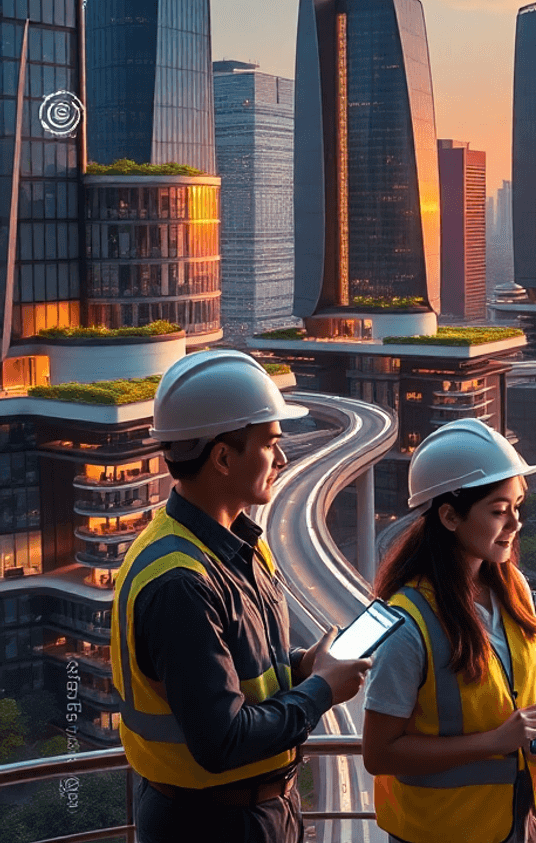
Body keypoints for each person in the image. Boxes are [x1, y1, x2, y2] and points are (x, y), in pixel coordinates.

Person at [110, 350, 372, 843]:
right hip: (209, 825)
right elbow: (222, 741)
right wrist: (322, 691)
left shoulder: (240, 546)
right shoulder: (180, 584)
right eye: (271, 443)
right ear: (224, 457)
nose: (284, 458)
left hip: (255, 811)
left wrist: (299, 666)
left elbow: (235, 669)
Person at [362, 417, 536, 843]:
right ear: (450, 516)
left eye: (517, 507)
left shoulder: (515, 590)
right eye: (498, 511)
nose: (515, 524)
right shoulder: (408, 624)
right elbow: (379, 753)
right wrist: (496, 739)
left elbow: (521, 727)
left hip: (517, 827)